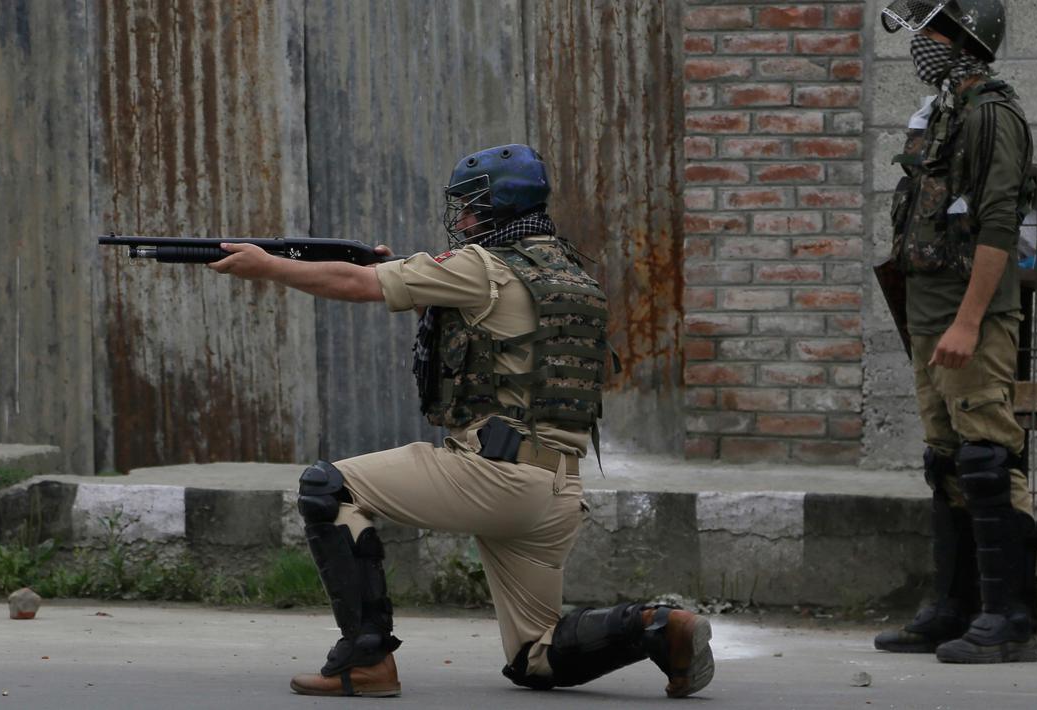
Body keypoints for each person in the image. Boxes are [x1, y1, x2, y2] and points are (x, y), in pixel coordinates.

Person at [208, 144, 714, 697]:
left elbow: (356, 286)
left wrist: (266, 266)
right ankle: (659, 627)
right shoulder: (568, 275)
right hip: (556, 492)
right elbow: (487, 335)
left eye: (472, 207)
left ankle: (365, 660)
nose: (464, 219)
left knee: (328, 488)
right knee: (536, 658)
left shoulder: (480, 266)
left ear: (502, 205)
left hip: (494, 474)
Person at [873, 1, 1037, 664]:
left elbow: (999, 223)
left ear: (964, 35)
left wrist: (969, 321)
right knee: (944, 459)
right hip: (926, 309)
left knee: (987, 456)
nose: (920, 43)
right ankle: (952, 609)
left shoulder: (991, 114)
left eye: (930, 30)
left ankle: (1008, 619)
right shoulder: (943, 108)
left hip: (969, 314)